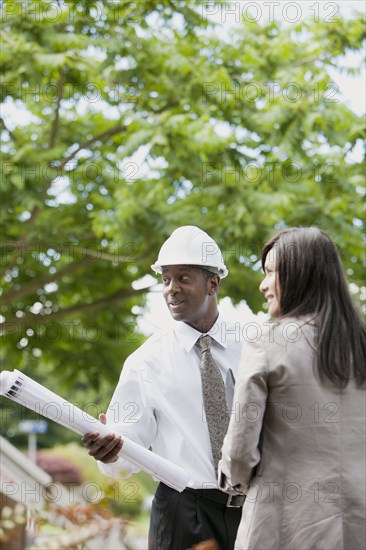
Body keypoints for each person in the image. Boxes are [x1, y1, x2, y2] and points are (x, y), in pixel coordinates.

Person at [82, 226, 244, 550]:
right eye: (166, 279)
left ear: (213, 283)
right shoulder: (145, 363)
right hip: (183, 514)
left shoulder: (255, 349)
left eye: (183, 278)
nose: (172, 289)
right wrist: (108, 454)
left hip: (253, 511)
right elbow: (122, 458)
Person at [219, 227, 366, 550]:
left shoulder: (267, 343)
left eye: (271, 272)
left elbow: (240, 453)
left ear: (300, 274)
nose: (263, 284)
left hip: (283, 527)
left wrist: (230, 478)